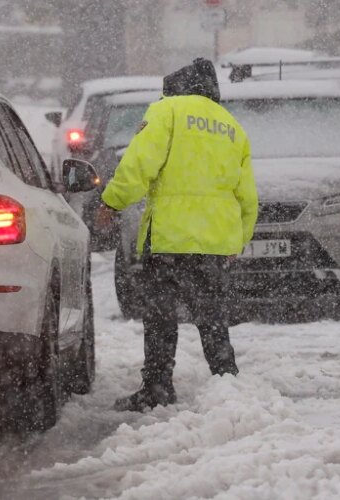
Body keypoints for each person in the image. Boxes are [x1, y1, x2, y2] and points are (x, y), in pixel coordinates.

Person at [96, 58, 258, 412]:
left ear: (176, 87)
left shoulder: (166, 111)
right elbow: (247, 195)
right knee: (212, 315)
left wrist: (112, 201)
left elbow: (140, 162)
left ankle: (157, 386)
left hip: (170, 236)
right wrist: (238, 240)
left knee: (160, 316)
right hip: (213, 242)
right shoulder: (231, 126)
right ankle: (227, 381)